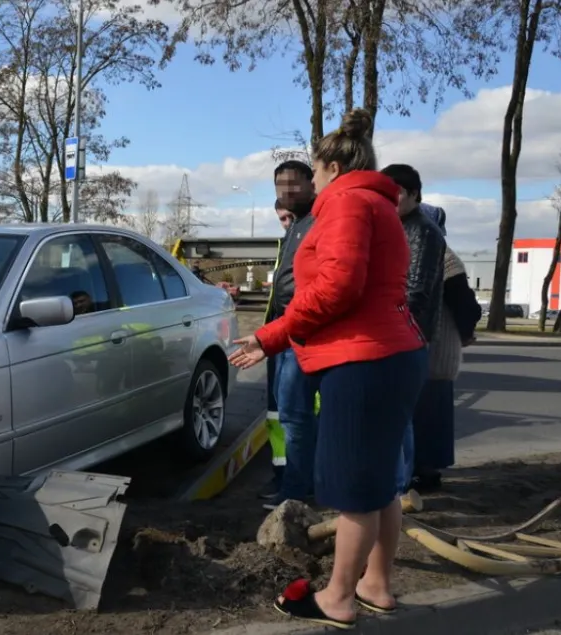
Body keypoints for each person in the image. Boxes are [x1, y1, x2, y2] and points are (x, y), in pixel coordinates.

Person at [229, 109, 428, 630]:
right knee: (380, 482)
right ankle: (376, 584)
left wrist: (272, 335)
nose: (311, 182)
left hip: (363, 360)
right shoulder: (374, 204)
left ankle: (337, 597)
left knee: (352, 486)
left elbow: (337, 288)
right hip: (393, 353)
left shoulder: (343, 205)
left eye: (314, 172)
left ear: (334, 167)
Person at [381, 164, 446, 498]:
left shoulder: (422, 231)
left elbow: (416, 293)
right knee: (393, 413)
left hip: (407, 336)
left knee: (398, 414)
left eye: (397, 194)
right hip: (396, 334)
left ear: (414, 194)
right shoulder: (398, 226)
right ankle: (395, 483)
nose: (389, 200)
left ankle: (397, 486)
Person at [259, 163, 320, 510]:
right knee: (284, 412)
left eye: (293, 185)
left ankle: (297, 492)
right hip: (284, 331)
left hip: (301, 333)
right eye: (280, 186)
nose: (286, 192)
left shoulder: (316, 223)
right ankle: (291, 484)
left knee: (296, 414)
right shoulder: (296, 228)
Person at [412, 247, 483, 492]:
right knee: (430, 417)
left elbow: (463, 303)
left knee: (425, 415)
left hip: (431, 351)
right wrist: (466, 332)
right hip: (433, 351)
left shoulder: (442, 258)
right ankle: (424, 472)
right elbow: (467, 307)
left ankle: (423, 473)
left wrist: (465, 331)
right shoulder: (443, 257)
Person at [259, 198, 298, 500]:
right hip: (279, 338)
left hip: (297, 337)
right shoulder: (286, 242)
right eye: (281, 219)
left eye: (289, 217)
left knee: (298, 413)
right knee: (275, 413)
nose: (286, 223)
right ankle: (282, 475)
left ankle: (299, 480)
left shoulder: (307, 237)